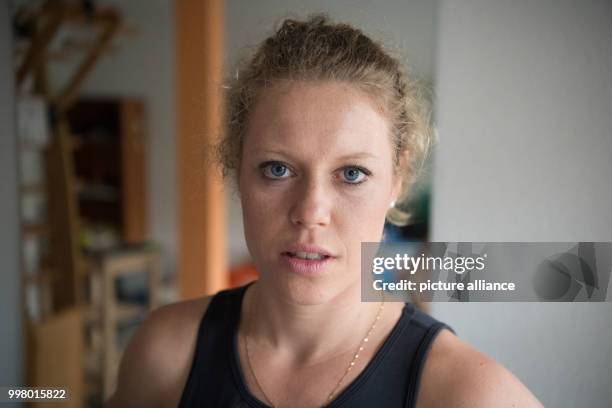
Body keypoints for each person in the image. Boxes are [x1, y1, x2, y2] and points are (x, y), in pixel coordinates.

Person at [107, 15, 542, 408]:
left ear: (398, 178)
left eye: (352, 173)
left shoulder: (468, 395)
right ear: (236, 168)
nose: (310, 212)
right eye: (277, 169)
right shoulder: (164, 354)